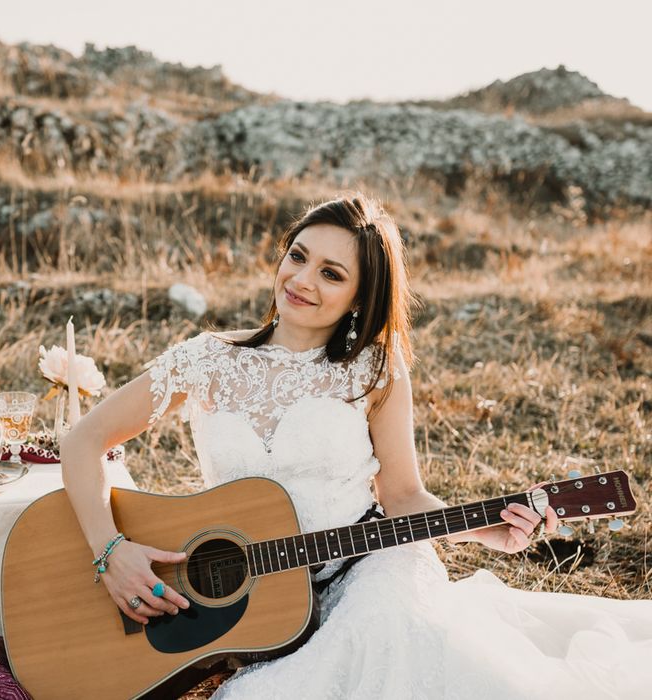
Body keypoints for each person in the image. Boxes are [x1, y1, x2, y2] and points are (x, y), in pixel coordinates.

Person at [60, 195, 652, 699]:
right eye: (299, 257)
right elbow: (84, 440)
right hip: (252, 591)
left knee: (383, 650)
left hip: (363, 568)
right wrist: (109, 549)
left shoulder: (375, 371)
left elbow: (400, 495)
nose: (302, 281)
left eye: (332, 274)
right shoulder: (207, 361)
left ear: (360, 299)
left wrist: (484, 529)